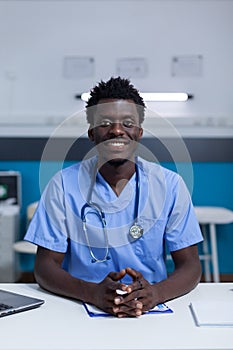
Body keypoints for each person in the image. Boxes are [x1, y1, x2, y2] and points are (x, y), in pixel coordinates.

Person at [24, 76, 203, 318]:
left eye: (127, 123)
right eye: (105, 122)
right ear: (92, 133)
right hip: (79, 307)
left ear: (139, 132)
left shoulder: (170, 185)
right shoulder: (63, 185)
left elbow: (190, 266)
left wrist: (155, 294)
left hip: (151, 310)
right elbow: (44, 267)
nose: (117, 130)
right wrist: (93, 293)